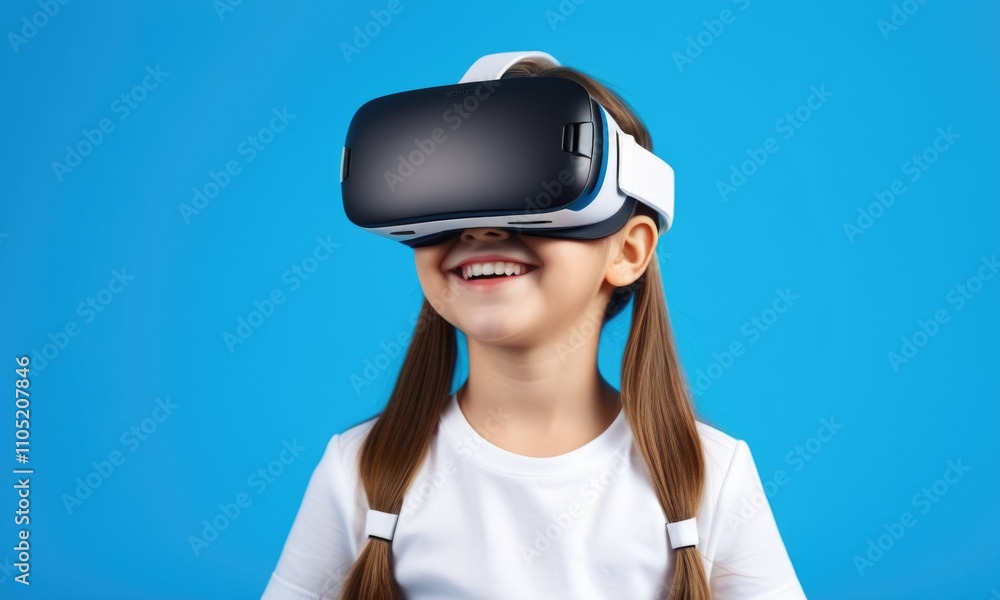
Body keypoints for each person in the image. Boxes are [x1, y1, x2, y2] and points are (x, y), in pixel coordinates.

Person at [261, 53, 806, 600]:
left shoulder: (711, 476)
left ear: (629, 249)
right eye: (451, 196)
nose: (478, 230)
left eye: (526, 183)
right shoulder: (359, 470)